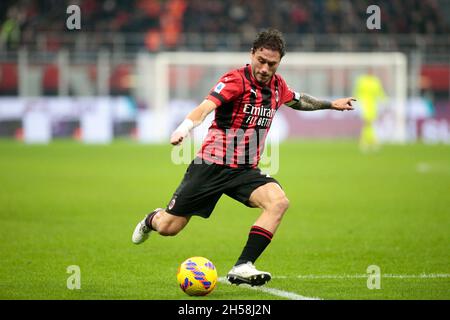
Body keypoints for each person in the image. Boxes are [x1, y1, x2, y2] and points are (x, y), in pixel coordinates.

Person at [132, 28, 355, 286]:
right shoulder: (234, 80)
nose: (264, 68)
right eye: (261, 61)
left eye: (271, 64)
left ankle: (243, 265)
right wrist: (184, 128)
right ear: (252, 54)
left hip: (245, 169)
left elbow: (299, 100)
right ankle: (151, 219)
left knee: (278, 202)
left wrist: (330, 104)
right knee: (169, 227)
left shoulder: (278, 86)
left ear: (279, 62)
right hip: (211, 166)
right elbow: (205, 107)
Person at [353, 70, 386, 152]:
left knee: (369, 123)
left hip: (373, 105)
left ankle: (366, 141)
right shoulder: (362, 80)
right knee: (367, 122)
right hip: (364, 104)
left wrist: (384, 99)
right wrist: (355, 100)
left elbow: (379, 91)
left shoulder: (375, 81)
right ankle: (371, 141)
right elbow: (357, 91)